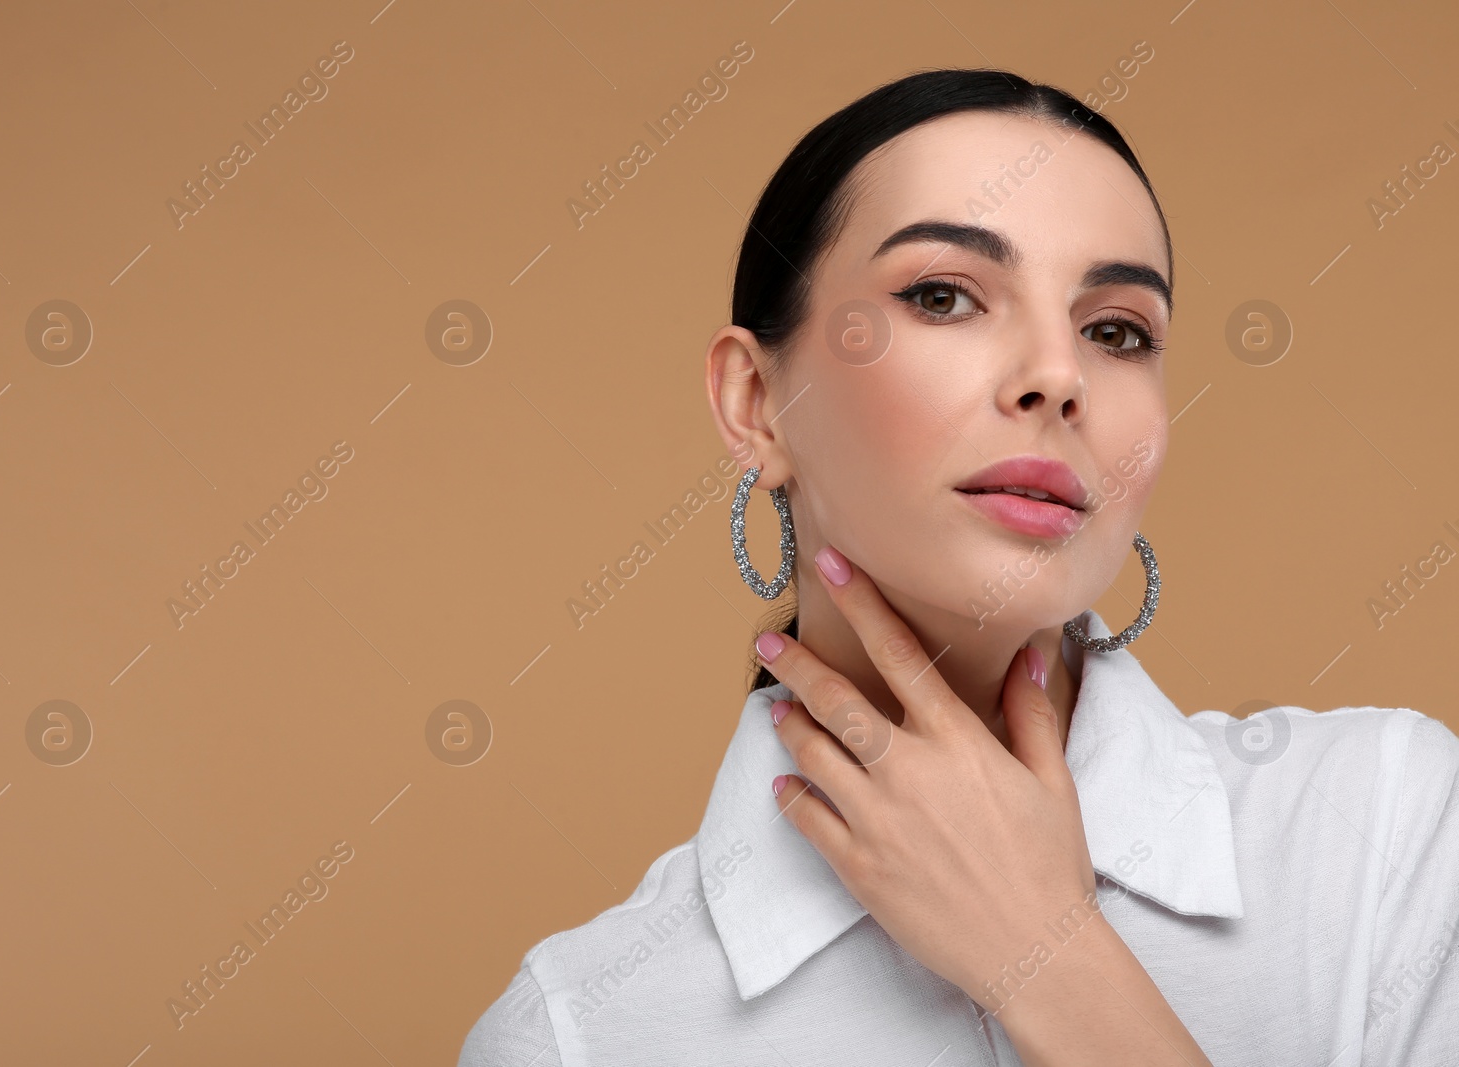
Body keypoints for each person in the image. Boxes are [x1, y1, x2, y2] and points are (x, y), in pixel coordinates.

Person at [458, 67, 1459, 1066]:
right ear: (756, 403)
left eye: (1114, 330)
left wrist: (1048, 957)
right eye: (943, 296)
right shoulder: (578, 1030)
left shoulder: (1385, 832)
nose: (1057, 375)